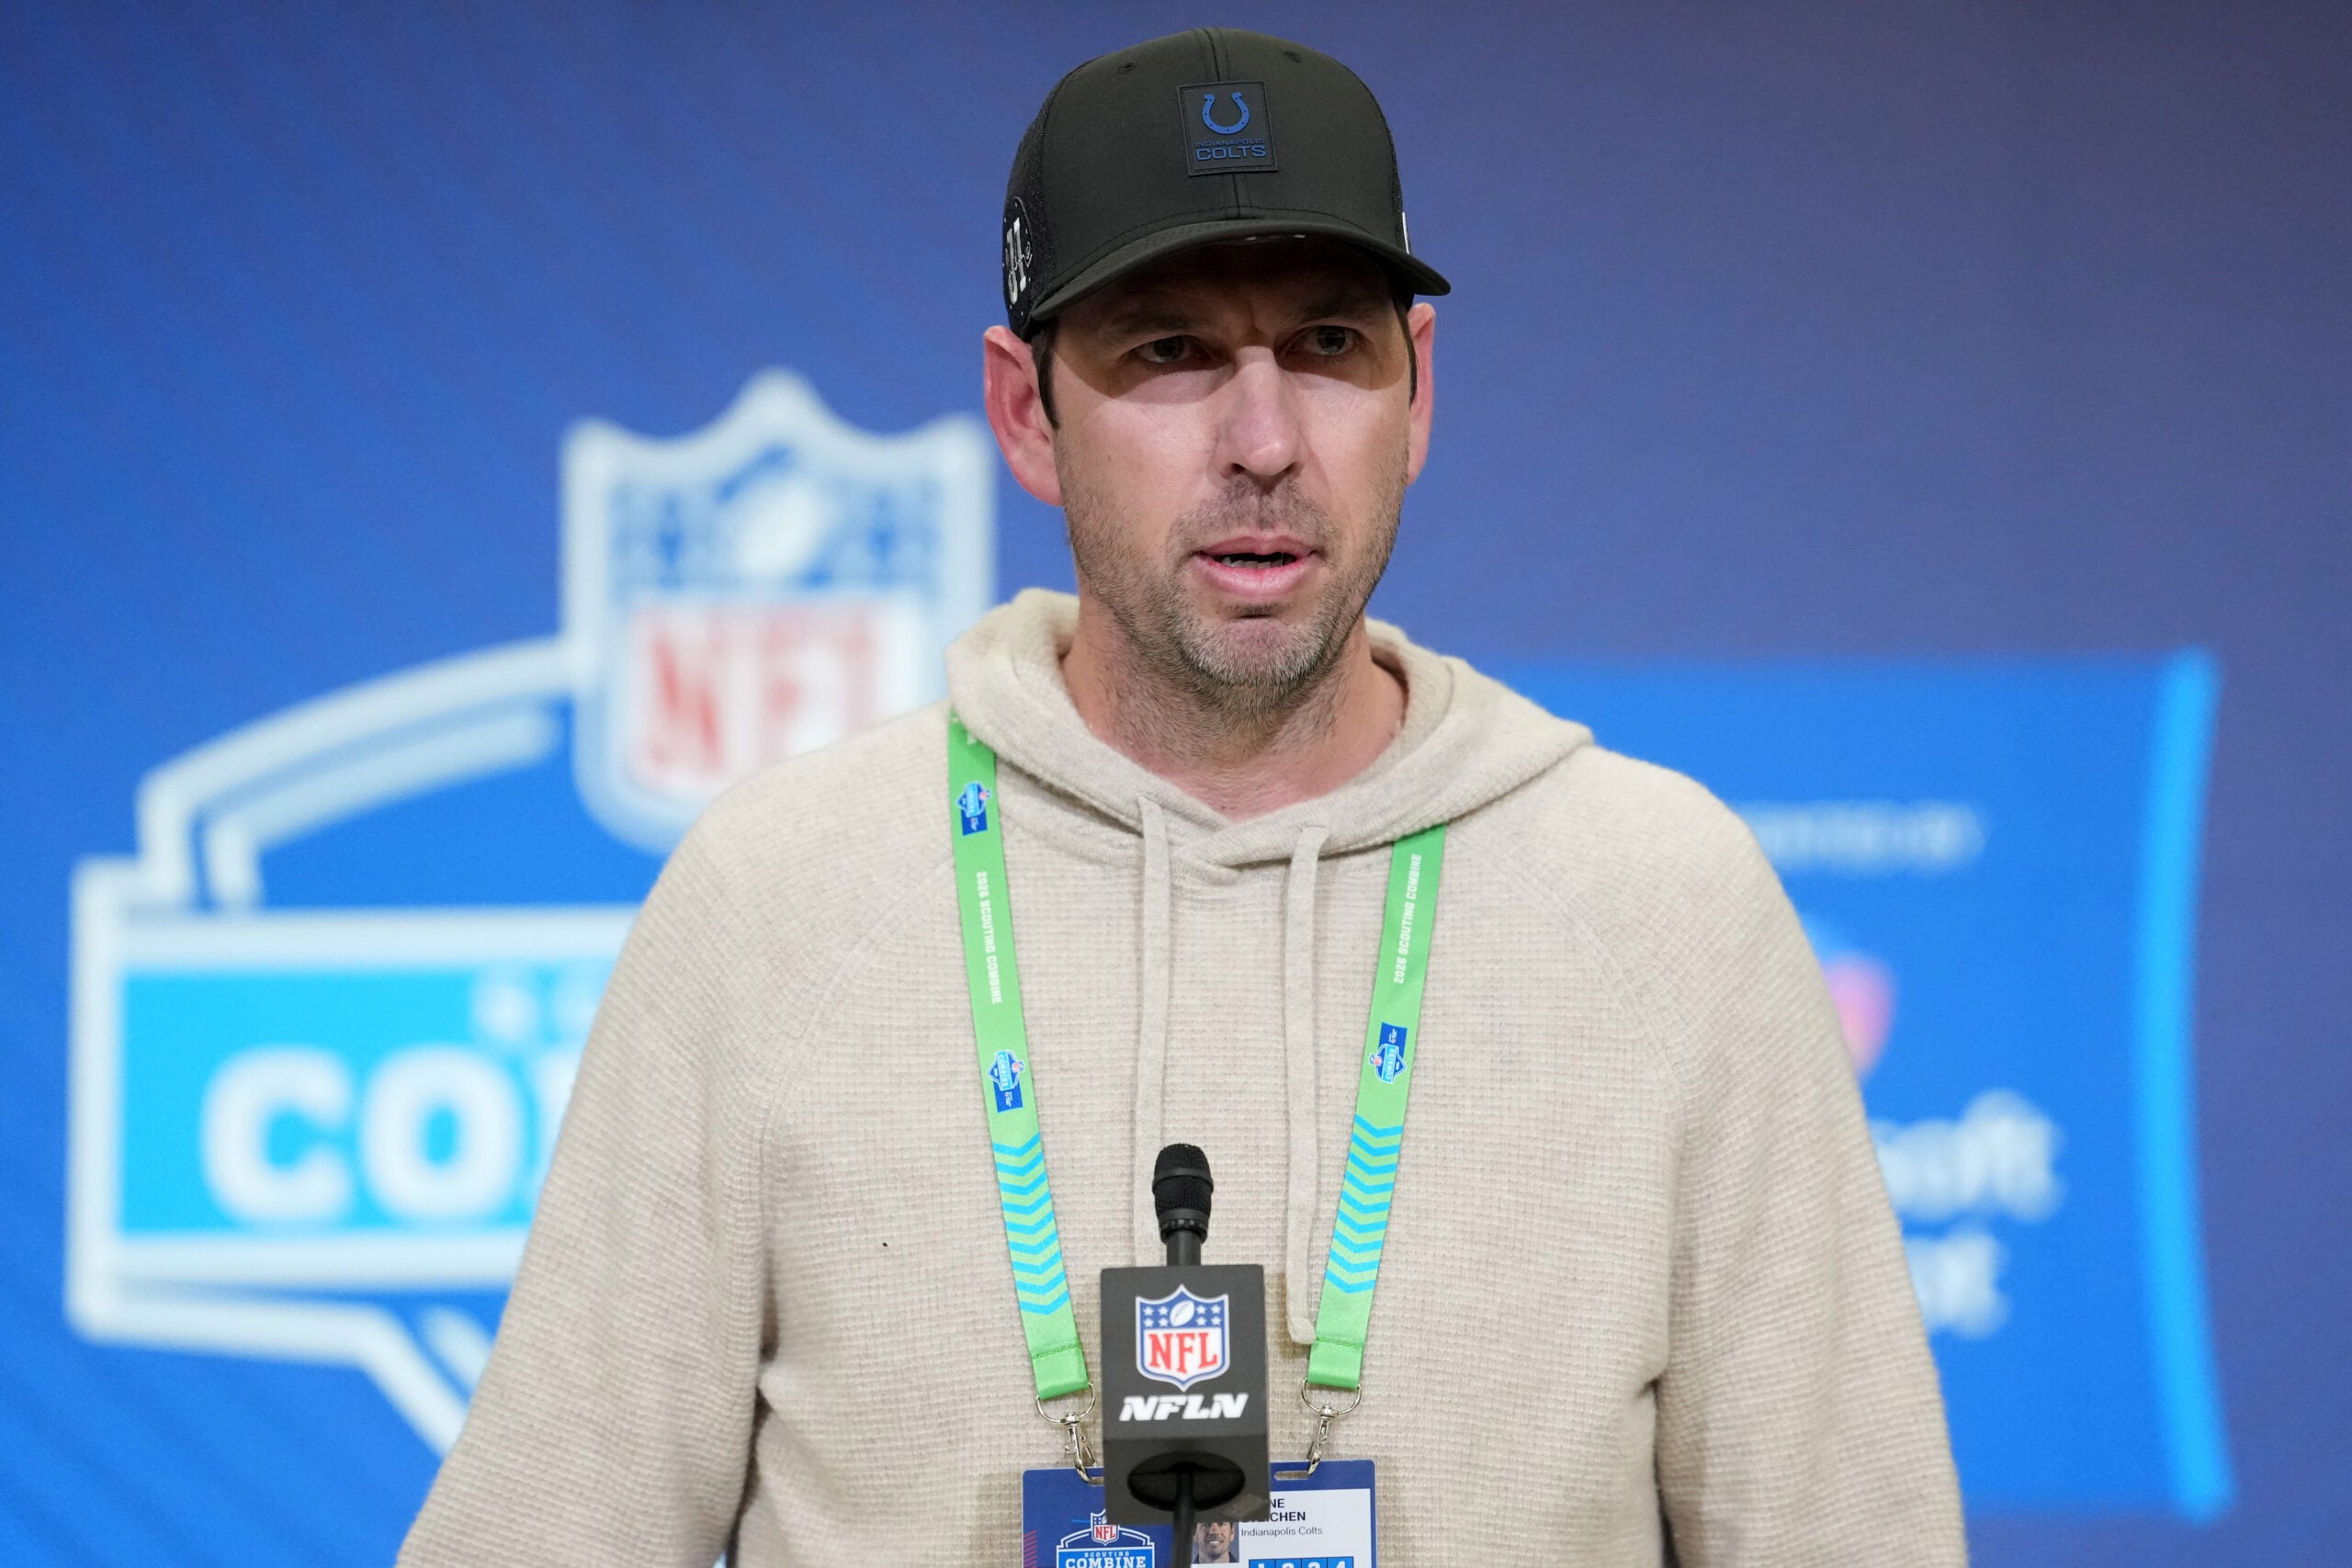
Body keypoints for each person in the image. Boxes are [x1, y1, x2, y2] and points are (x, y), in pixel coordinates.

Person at [401, 27, 1964, 1566]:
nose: (1265, 442)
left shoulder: (1668, 900)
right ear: (1027, 413)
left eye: (1329, 347)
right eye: (1171, 353)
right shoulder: (779, 897)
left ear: (1419, 391)